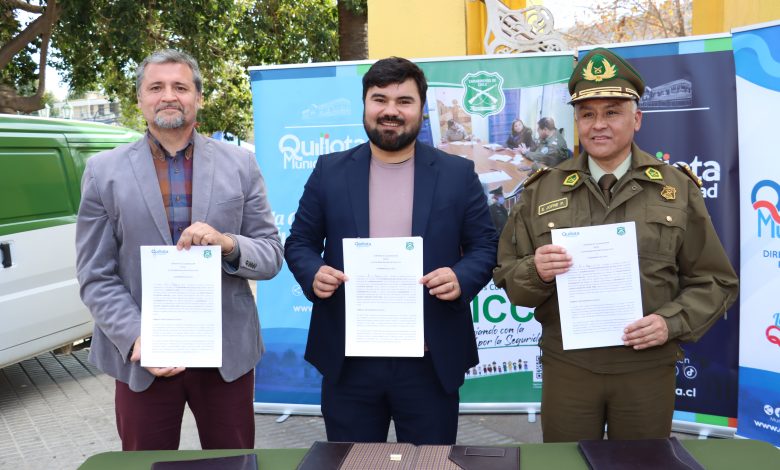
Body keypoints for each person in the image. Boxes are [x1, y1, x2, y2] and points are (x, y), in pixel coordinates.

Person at [492, 47, 738, 442]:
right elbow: (510, 279)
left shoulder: (676, 189)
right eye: (587, 114)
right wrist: (535, 271)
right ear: (576, 121)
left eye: (612, 112)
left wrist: (670, 323)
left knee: (642, 466)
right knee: (567, 464)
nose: (598, 125)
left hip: (646, 367)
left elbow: (716, 280)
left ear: (636, 119)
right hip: (569, 367)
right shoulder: (542, 190)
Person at [75, 49, 283, 450]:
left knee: (233, 461)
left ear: (198, 98)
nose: (168, 95)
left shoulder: (241, 165)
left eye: (180, 87)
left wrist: (227, 244)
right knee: (146, 462)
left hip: (225, 354)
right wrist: (138, 338)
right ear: (140, 99)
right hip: (144, 357)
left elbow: (271, 254)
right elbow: (95, 274)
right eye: (156, 87)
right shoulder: (103, 172)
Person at [284, 57, 498, 445]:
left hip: (429, 359)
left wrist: (460, 277)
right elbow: (299, 242)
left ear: (421, 108)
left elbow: (485, 245)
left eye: (404, 101)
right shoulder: (330, 171)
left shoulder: (457, 174)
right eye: (379, 99)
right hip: (350, 360)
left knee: (431, 464)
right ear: (365, 104)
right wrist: (313, 273)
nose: (390, 111)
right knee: (351, 464)